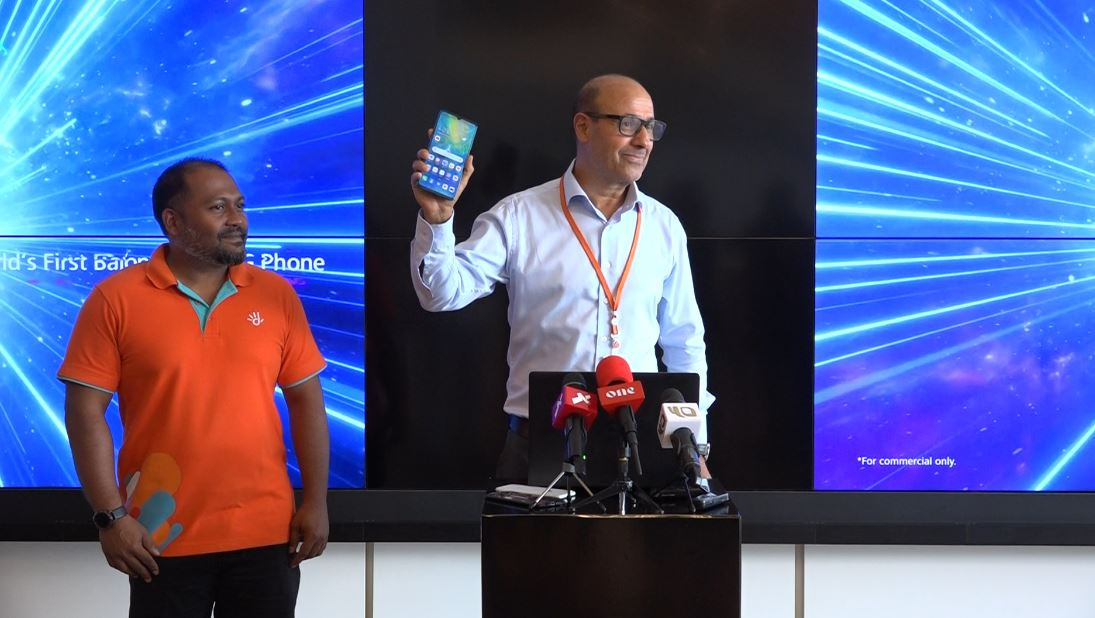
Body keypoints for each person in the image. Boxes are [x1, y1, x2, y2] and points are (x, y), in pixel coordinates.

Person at [59, 158, 330, 617]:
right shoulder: (114, 299)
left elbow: (307, 402)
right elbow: (85, 413)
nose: (237, 219)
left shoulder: (275, 295)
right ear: (173, 221)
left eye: (240, 205)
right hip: (159, 538)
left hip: (268, 535)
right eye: (218, 207)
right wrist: (110, 517)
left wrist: (317, 502)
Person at [409, 74, 714, 478]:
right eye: (628, 125)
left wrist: (694, 443)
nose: (644, 141)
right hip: (540, 443)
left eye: (651, 127)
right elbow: (440, 293)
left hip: (637, 443)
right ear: (583, 127)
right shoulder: (519, 216)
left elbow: (684, 342)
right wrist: (437, 219)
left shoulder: (664, 225)